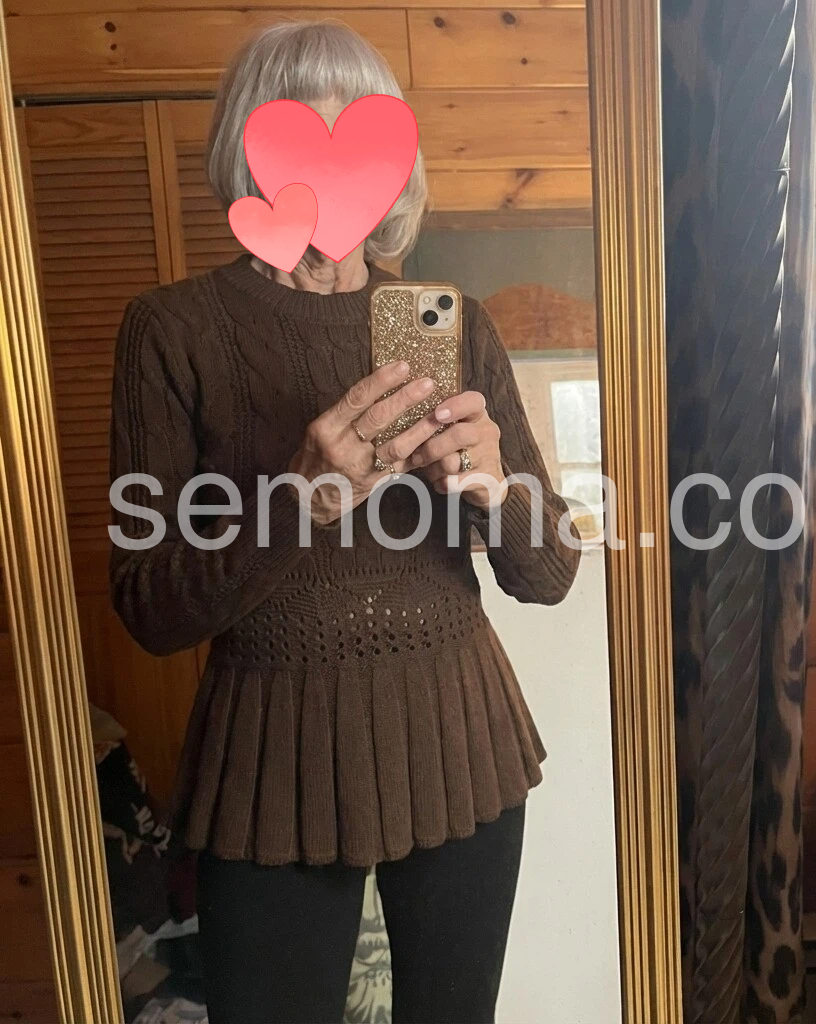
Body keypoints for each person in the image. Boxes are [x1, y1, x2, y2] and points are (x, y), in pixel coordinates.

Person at [108, 20, 580, 1024]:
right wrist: (302, 498)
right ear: (249, 155)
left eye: (361, 141)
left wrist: (495, 487)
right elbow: (147, 604)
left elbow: (548, 573)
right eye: (301, 138)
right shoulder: (172, 331)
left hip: (460, 742)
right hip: (268, 767)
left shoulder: (453, 321)